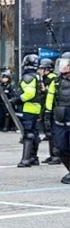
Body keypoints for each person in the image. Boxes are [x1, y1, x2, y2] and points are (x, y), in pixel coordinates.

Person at [16, 54, 44, 168]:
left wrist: (17, 99)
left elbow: (29, 94)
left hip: (28, 107)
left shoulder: (28, 77)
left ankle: (26, 159)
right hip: (36, 107)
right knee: (35, 133)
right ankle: (33, 157)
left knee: (28, 134)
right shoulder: (37, 76)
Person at [51, 52, 70, 184]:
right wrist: (46, 116)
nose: (63, 67)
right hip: (60, 118)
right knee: (60, 148)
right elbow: (50, 98)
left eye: (66, 64)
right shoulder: (56, 81)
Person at [40, 58, 59, 164]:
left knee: (53, 133)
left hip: (52, 109)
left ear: (47, 69)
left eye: (41, 68)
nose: (39, 71)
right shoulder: (45, 79)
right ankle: (52, 154)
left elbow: (54, 94)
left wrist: (45, 90)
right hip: (47, 108)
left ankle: (56, 155)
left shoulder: (52, 79)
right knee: (49, 133)